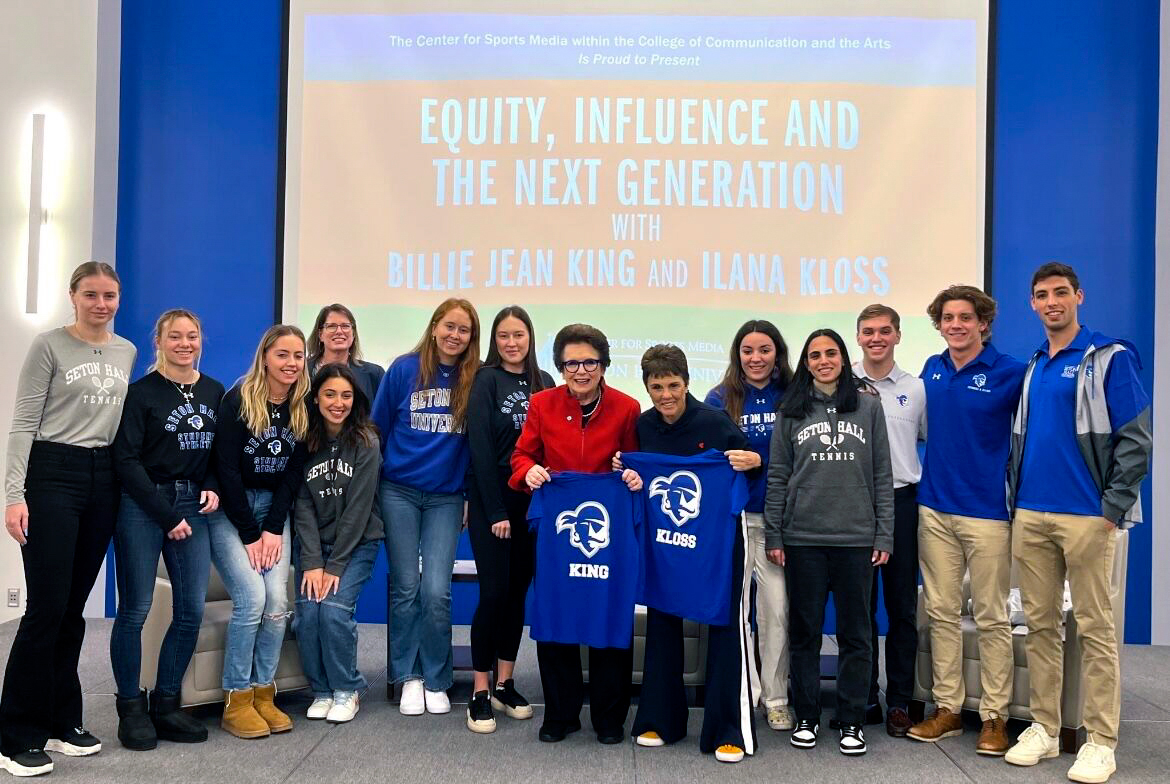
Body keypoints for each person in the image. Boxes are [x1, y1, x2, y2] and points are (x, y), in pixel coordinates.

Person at [1002, 263, 1151, 783]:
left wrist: (1110, 510)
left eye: (1060, 293)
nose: (1051, 302)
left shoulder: (1109, 357)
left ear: (1079, 297)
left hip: (1087, 517)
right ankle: (1045, 728)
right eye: (1041, 295)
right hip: (1032, 515)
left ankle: (1100, 741)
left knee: (1094, 629)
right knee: (1040, 626)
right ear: (1033, 304)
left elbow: (1137, 440)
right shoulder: (1035, 364)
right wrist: (1016, 504)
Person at [0, 262, 136, 777]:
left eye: (110, 295)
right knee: (45, 608)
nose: (101, 304)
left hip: (102, 477)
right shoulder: (49, 346)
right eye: (91, 295)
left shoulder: (125, 351)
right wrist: (15, 495)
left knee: (73, 608)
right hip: (51, 473)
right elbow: (21, 425)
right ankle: (14, 734)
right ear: (73, 296)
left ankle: (61, 720)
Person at [624, 345, 759, 764]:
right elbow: (631, 473)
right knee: (663, 619)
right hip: (666, 545)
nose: (665, 394)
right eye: (656, 386)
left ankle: (726, 729)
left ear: (687, 382)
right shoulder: (643, 427)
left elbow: (751, 468)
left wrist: (752, 460)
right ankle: (660, 720)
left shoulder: (714, 423)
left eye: (673, 385)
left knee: (722, 626)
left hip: (717, 545)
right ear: (646, 387)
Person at [509, 323, 641, 744]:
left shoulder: (627, 408)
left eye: (590, 362)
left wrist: (633, 474)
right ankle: (561, 715)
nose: (581, 371)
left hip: (609, 531)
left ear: (603, 365)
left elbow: (637, 462)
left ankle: (608, 719)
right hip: (555, 528)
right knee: (556, 615)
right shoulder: (542, 404)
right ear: (560, 366)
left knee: (609, 614)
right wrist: (527, 470)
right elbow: (522, 454)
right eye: (572, 363)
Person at [907, 286, 1025, 756]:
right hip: (934, 508)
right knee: (941, 612)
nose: (956, 325)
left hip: (989, 514)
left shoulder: (1011, 373)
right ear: (939, 324)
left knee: (993, 616)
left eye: (965, 317)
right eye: (948, 318)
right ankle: (948, 710)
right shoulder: (931, 370)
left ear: (983, 323)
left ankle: (995, 717)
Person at [764, 329, 893, 756]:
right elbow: (779, 475)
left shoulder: (869, 407)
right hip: (803, 539)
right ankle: (806, 715)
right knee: (805, 634)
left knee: (857, 634)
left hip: (856, 539)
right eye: (815, 355)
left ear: (843, 358)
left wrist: (884, 533)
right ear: (806, 362)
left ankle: (851, 720)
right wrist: (775, 533)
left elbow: (882, 477)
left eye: (831, 353)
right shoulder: (790, 410)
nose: (823, 360)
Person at [109, 309, 224, 750]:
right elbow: (126, 461)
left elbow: (220, 454)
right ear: (158, 341)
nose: (184, 344)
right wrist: (166, 515)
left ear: (201, 341)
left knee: (191, 610)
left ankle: (167, 703)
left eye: (191, 336)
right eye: (174, 337)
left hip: (192, 505)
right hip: (143, 505)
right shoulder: (140, 394)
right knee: (135, 610)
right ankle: (130, 708)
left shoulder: (214, 391)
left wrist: (211, 486)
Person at [373, 299, 480, 717]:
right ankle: (409, 677)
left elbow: (476, 445)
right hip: (398, 491)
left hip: (446, 497)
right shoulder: (404, 369)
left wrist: (470, 495)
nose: (456, 335)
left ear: (472, 337)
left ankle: (437, 677)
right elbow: (378, 429)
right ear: (435, 327)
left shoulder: (476, 378)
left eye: (465, 330)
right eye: (449, 326)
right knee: (405, 588)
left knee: (436, 591)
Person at [209, 325, 309, 739]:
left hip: (273, 512)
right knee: (251, 598)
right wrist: (251, 533)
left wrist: (272, 528)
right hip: (232, 513)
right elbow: (226, 471)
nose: (291, 363)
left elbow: (292, 476)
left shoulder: (302, 407)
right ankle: (237, 698)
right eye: (283, 354)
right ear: (265, 356)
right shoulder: (239, 399)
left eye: (299, 356)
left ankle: (264, 693)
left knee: (278, 601)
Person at [464, 306, 553, 734]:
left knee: (518, 595)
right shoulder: (485, 380)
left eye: (518, 335)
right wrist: (497, 510)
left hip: (532, 504)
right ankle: (479, 690)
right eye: (503, 335)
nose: (511, 342)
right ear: (494, 341)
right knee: (494, 594)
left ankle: (504, 683)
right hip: (492, 501)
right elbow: (480, 449)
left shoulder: (545, 383)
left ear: (530, 338)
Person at [704, 319, 795, 732]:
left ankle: (776, 698)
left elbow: (806, 457)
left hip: (779, 522)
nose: (755, 358)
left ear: (777, 353)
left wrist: (763, 462)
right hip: (733, 523)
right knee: (733, 614)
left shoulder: (795, 395)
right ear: (737, 354)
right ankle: (740, 690)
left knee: (776, 612)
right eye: (747, 351)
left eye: (764, 350)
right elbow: (704, 457)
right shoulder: (719, 397)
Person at [292, 364, 384, 725]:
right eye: (330, 394)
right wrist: (313, 561)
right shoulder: (304, 438)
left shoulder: (366, 441)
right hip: (313, 547)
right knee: (309, 614)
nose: (338, 402)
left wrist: (334, 566)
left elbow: (359, 510)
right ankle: (322, 691)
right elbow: (301, 504)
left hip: (357, 544)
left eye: (346, 395)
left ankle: (347, 690)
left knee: (332, 610)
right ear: (316, 398)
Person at [852, 305, 926, 736]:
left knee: (900, 608)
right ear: (857, 338)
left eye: (884, 331)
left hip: (900, 503)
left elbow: (927, 437)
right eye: (867, 332)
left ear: (898, 335)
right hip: (855, 506)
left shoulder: (916, 389)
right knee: (859, 608)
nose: (876, 338)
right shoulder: (843, 386)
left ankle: (899, 700)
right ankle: (863, 696)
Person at [306, 304, 385, 402]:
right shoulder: (303, 371)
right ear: (320, 334)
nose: (339, 331)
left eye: (345, 326)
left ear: (353, 334)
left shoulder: (374, 375)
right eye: (331, 326)